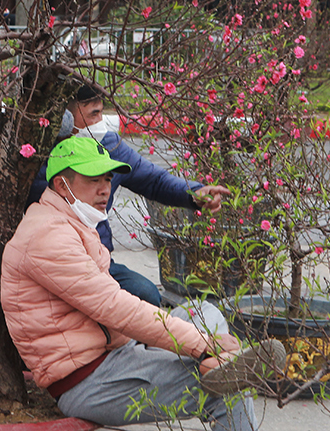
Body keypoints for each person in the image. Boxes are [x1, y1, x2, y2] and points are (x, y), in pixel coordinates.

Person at [2, 136, 284, 431]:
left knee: (204, 312)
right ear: (62, 185)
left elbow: (116, 313)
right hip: (88, 380)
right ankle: (218, 365)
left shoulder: (70, 221)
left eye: (108, 179)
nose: (105, 189)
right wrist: (202, 345)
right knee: (229, 387)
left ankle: (218, 364)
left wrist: (204, 346)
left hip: (114, 354)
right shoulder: (48, 236)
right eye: (93, 179)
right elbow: (115, 308)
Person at [28, 85, 231, 305]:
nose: (100, 123)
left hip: (99, 260)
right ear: (63, 119)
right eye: (93, 114)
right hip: (52, 263)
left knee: (145, 294)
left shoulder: (109, 147)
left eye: (101, 113)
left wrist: (192, 193)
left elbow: (153, 180)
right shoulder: (35, 154)